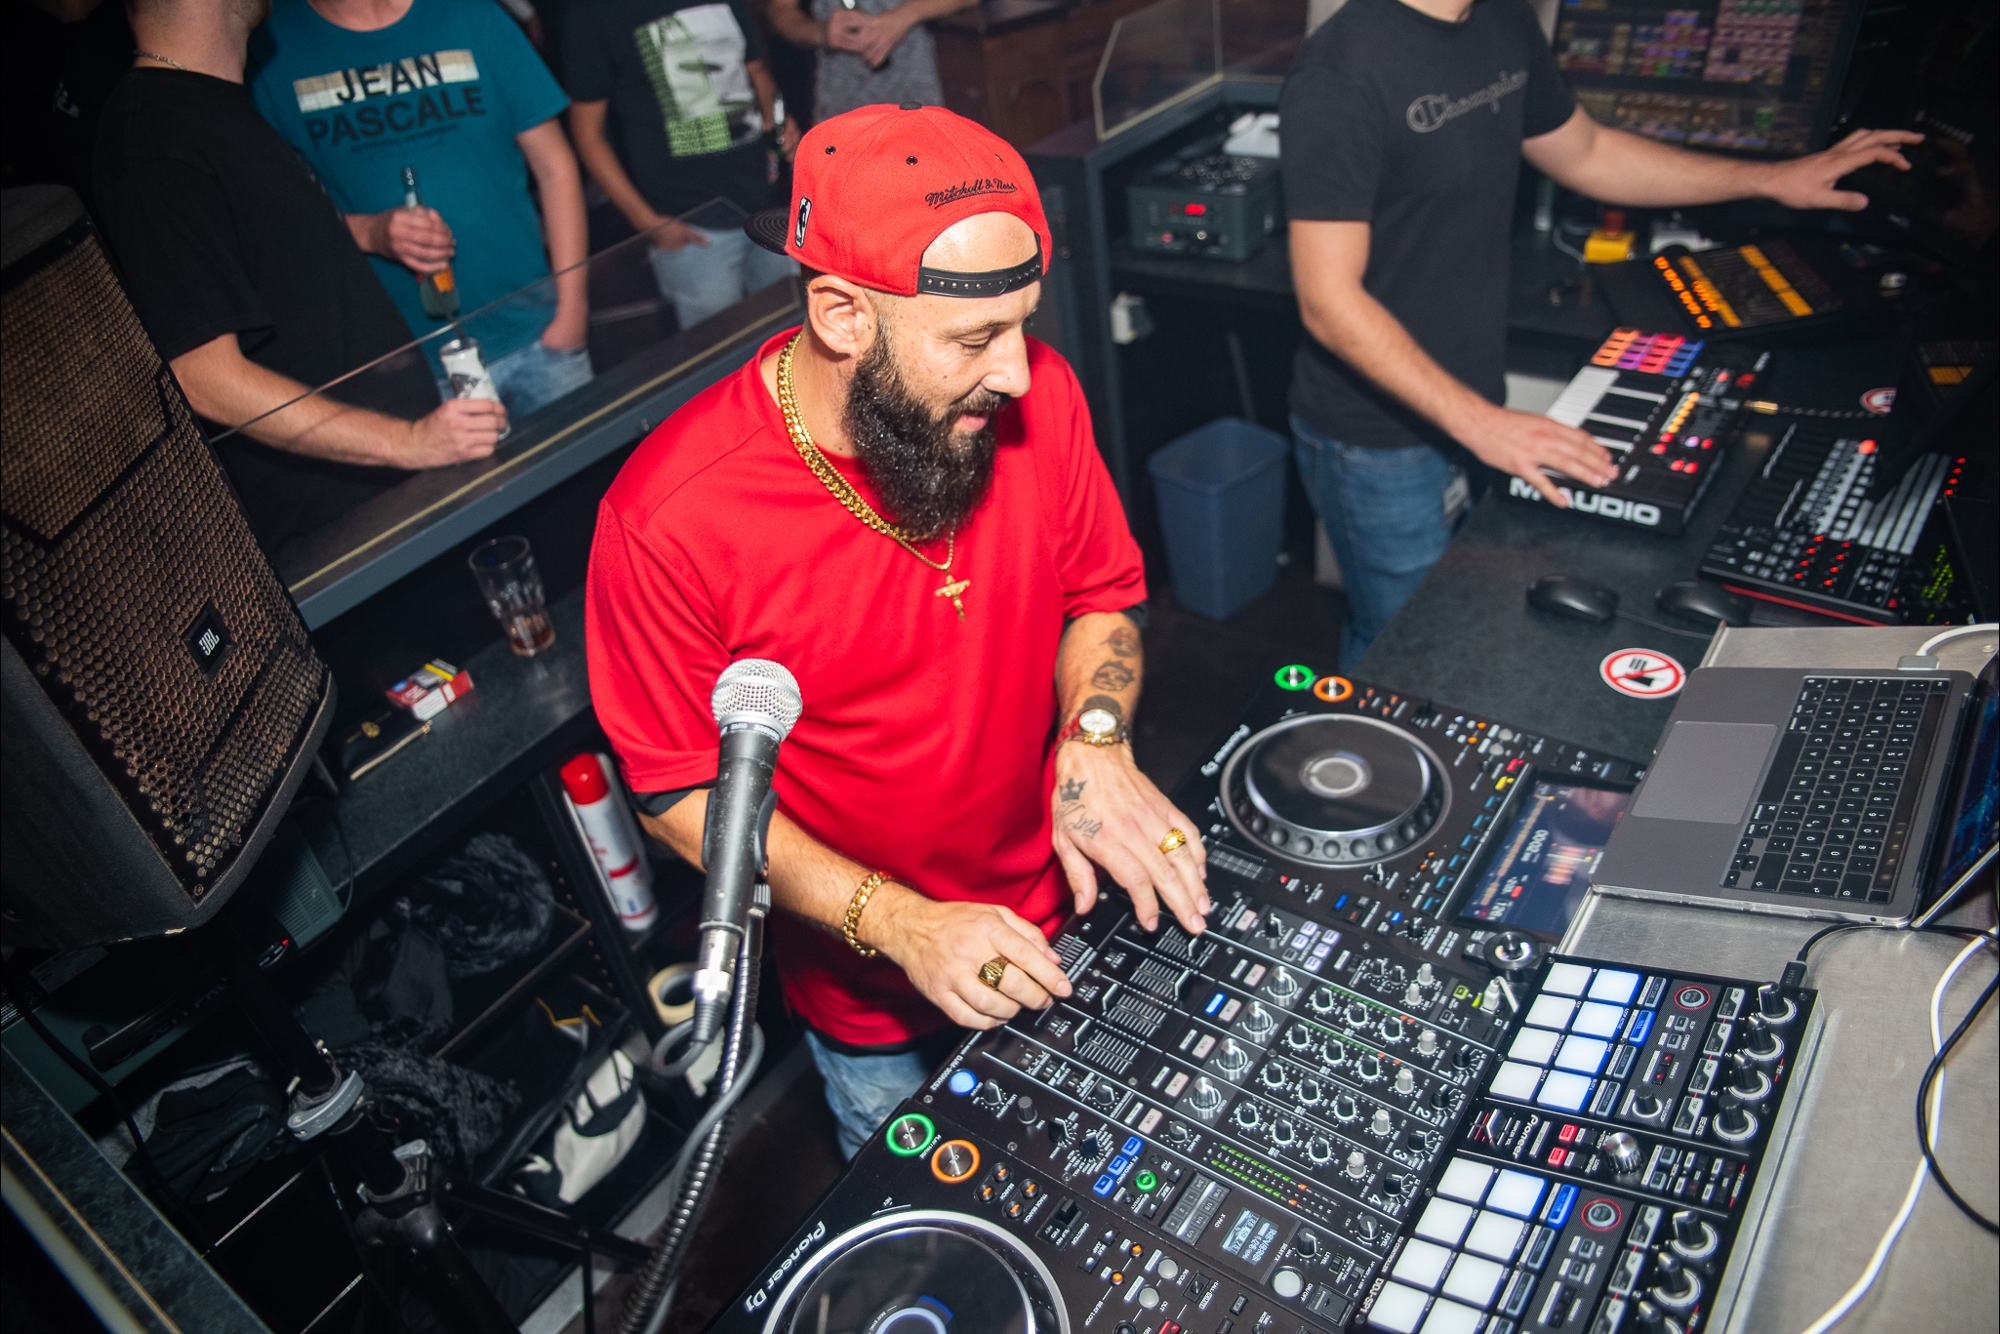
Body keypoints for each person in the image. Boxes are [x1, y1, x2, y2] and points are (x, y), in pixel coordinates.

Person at [586, 104, 1211, 1158]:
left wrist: (1096, 738)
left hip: (1066, 906)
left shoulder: (1040, 399)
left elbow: (1102, 594)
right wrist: (902, 923)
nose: (1018, 372)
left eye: (1022, 324)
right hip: (870, 992)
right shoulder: (669, 517)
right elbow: (675, 792)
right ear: (841, 314)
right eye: (975, 339)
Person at [1281, 0, 1922, 661]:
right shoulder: (1341, 72)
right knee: (1402, 647)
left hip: (1468, 401)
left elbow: (1587, 152)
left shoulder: (1501, 20)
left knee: (1452, 622)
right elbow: (1329, 300)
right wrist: (1483, 425)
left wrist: (1772, 179)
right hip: (1374, 438)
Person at [93, 0, 506, 555]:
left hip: (385, 485)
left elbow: (270, 253)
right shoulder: (151, 137)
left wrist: (370, 232)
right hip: (339, 519)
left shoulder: (215, 102)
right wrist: (408, 441)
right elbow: (202, 376)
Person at [246, 0, 593, 419]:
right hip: (401, 369)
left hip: (538, 333)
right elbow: (265, 219)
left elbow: (555, 166)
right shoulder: (269, 44)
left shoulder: (470, 13)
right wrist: (368, 231)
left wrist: (572, 311)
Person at [564, 0, 798, 330]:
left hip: (769, 202)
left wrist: (779, 119)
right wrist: (645, 221)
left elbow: (757, 72)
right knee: (719, 349)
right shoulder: (594, 13)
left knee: (796, 331)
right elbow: (588, 135)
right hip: (692, 225)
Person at [761, 0, 970, 120]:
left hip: (914, 92)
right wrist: (820, 32)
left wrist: (905, 16)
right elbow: (780, 10)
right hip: (840, 102)